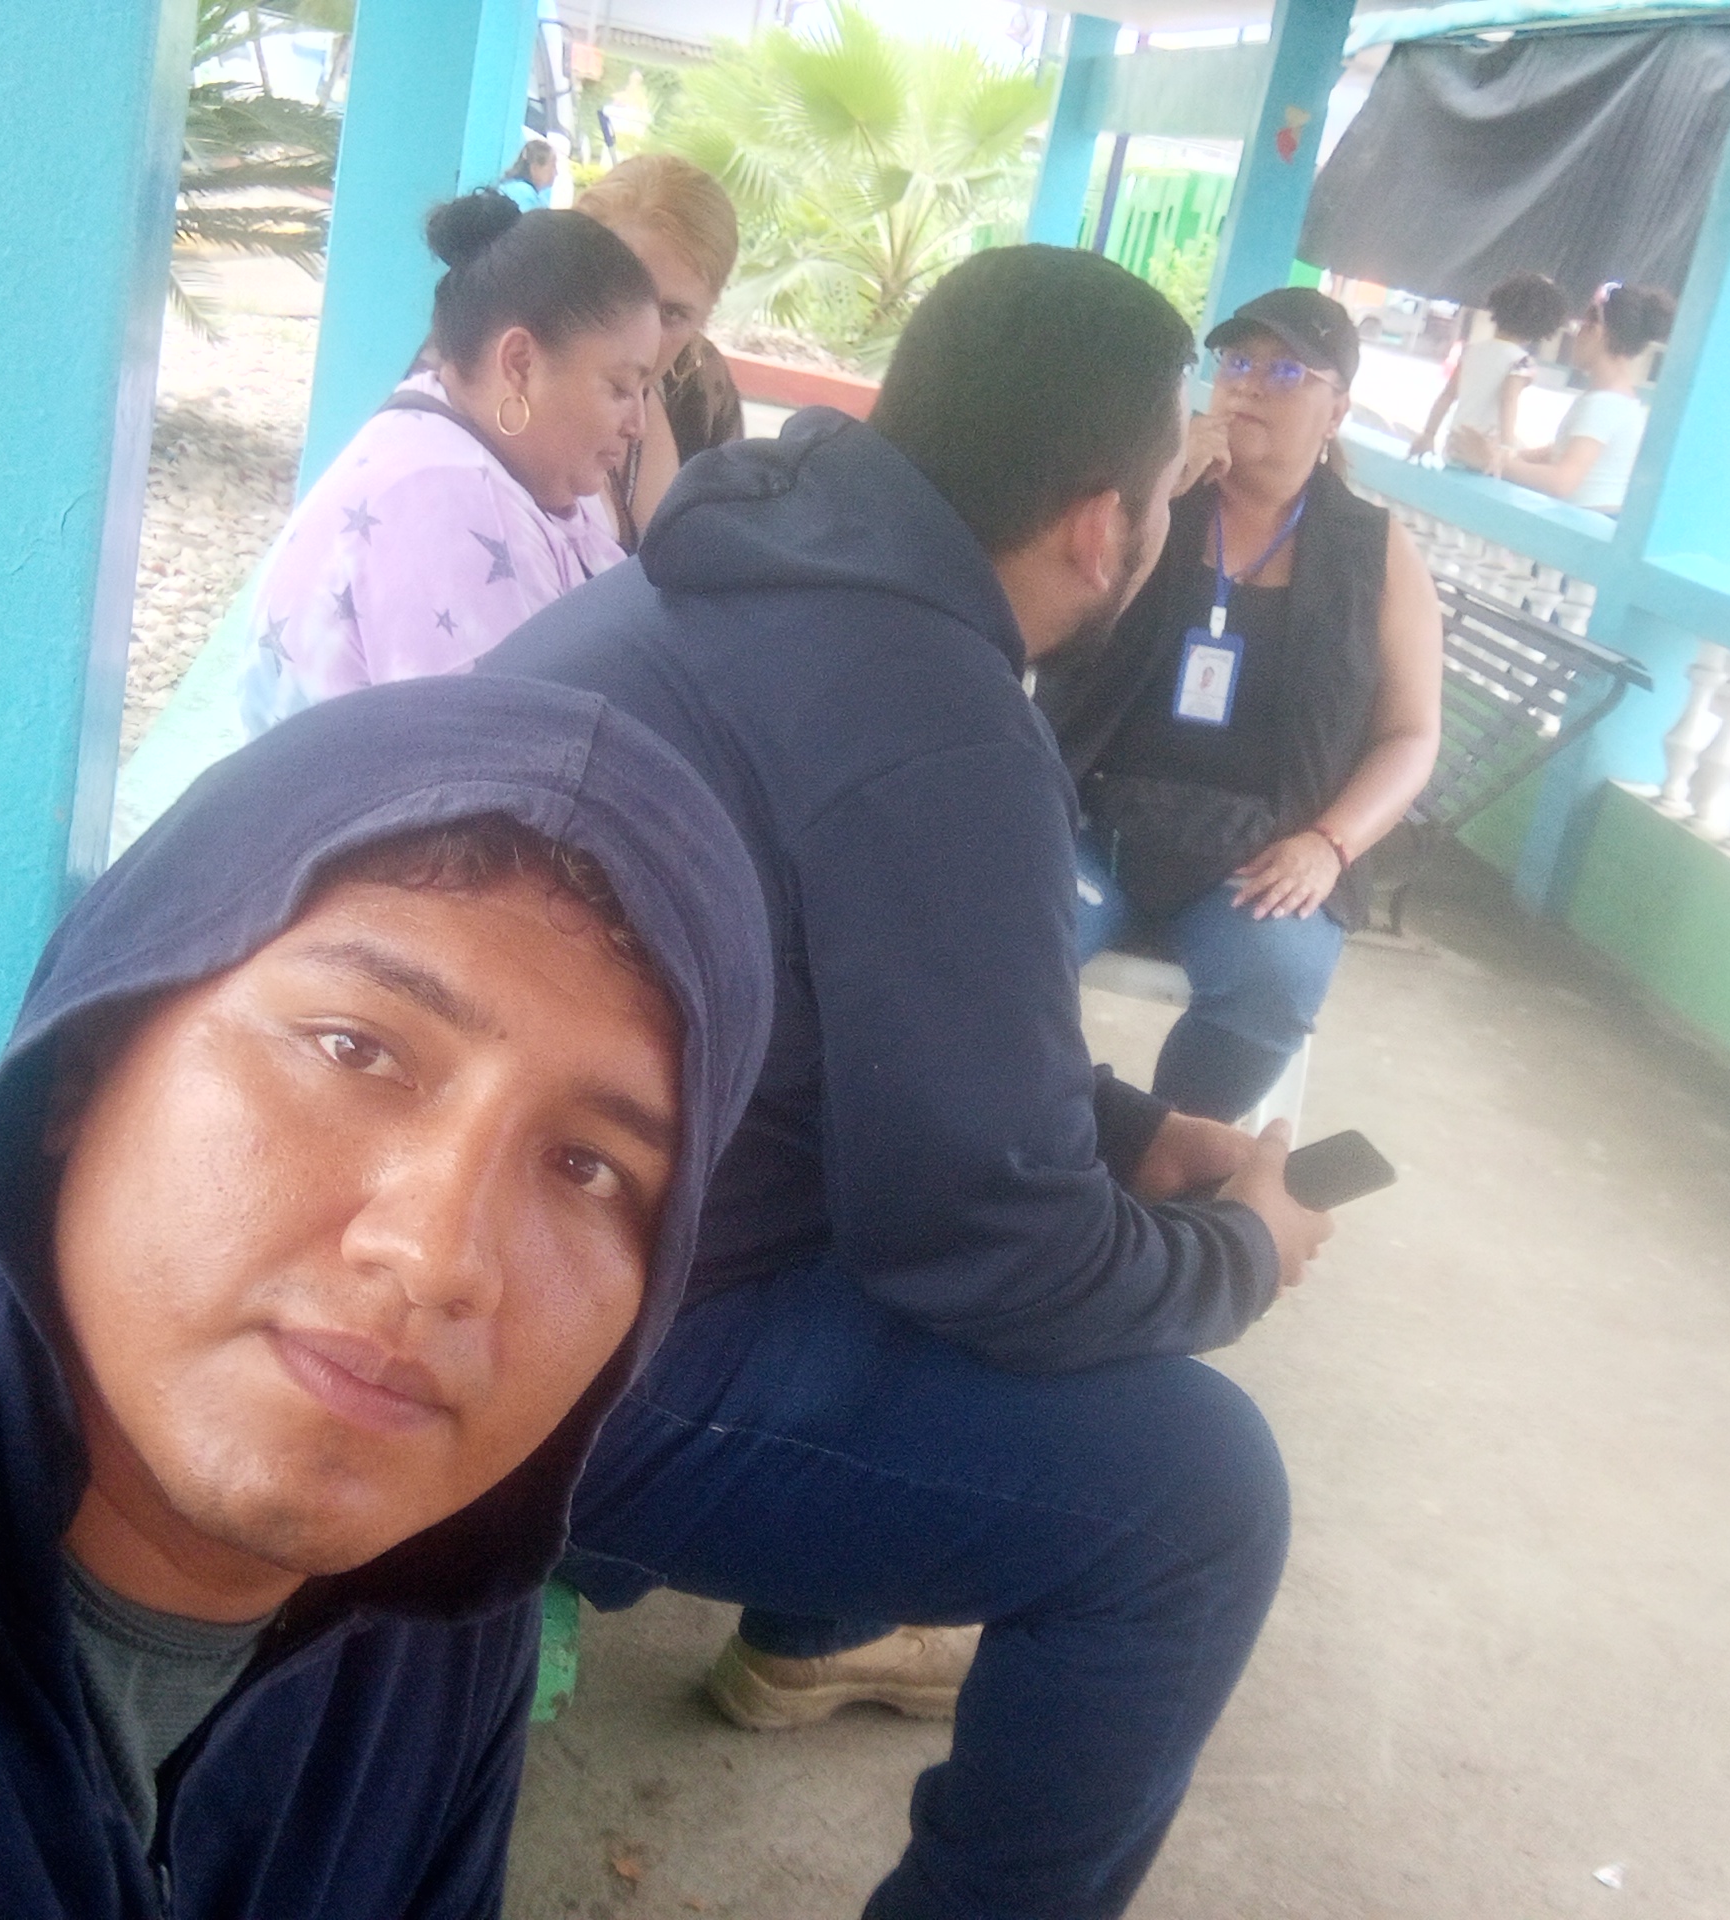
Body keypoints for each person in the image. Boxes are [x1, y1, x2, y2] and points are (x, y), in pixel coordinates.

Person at [486, 246, 1336, 1920]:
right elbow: (997, 1253)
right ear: (1101, 525)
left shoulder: (735, 562)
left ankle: (803, 1619)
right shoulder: (940, 721)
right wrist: (1242, 1252)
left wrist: (1133, 1134)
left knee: (907, 1207)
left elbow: (875, 1001)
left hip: (485, 1232)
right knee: (1198, 1499)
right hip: (563, 1348)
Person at [0, 677, 773, 1919]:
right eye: (354, 1048)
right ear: (87, 1061)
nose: (440, 1257)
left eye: (588, 1168)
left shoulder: (450, 1598)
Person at [1039, 288, 1445, 1122]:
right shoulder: (1143, 501)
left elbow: (1410, 735)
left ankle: (1164, 1156)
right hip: (1093, 820)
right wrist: (1156, 493)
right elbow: (1056, 630)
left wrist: (1331, 844)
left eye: (1287, 370)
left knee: (1273, 981)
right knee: (1007, 941)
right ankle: (1026, 1141)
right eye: (1237, 362)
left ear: (1337, 409)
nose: (1251, 384)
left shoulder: (1373, 551)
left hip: (1267, 849)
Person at [238, 195, 656, 733]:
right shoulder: (450, 499)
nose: (639, 424)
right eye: (620, 388)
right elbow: (504, 751)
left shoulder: (468, 450)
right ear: (520, 364)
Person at [574, 154, 748, 545]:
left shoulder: (701, 387)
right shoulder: (510, 372)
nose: (645, 337)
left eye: (672, 314)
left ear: (707, 313)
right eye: (626, 297)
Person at [1463, 281, 1676, 513]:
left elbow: (1562, 482)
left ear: (1596, 332)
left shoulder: (1604, 404)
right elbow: (1562, 451)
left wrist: (1490, 460)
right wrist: (1505, 454)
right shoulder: (1618, 399)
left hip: (1584, 522)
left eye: (1580, 326)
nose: (1575, 336)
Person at [1408, 270, 1568, 469]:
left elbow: (1447, 396)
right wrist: (1507, 447)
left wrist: (1429, 433)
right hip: (1484, 447)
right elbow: (1508, 400)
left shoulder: (1471, 351)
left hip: (1455, 442)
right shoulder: (1521, 362)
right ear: (1542, 327)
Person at [493, 137, 558, 211]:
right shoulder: (524, 196)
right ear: (535, 167)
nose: (556, 173)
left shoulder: (508, 186)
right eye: (553, 166)